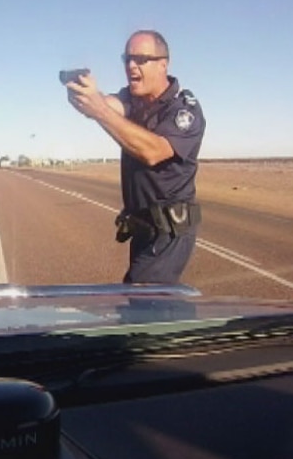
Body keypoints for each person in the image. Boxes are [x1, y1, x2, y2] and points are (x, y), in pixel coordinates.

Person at [64, 30, 206, 284]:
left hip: (170, 232)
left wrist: (99, 110)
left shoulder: (183, 110)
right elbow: (107, 105)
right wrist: (86, 97)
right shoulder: (133, 99)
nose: (131, 66)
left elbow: (152, 152)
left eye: (141, 59)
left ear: (163, 64)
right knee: (153, 306)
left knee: (142, 300)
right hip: (143, 228)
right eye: (127, 59)